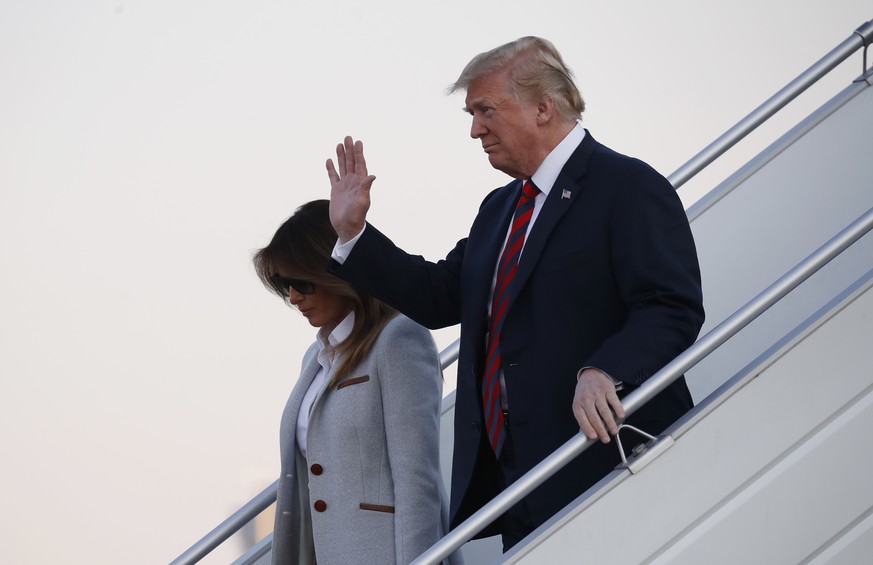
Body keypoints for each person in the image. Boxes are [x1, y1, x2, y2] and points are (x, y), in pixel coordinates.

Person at [325, 36, 705, 551]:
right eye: (471, 113)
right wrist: (354, 234)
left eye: (486, 110)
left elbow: (671, 307)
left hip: (604, 465)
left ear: (543, 107)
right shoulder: (499, 208)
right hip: (520, 482)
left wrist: (604, 369)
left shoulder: (628, 186)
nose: (475, 129)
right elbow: (439, 296)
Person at [253, 200, 462, 565]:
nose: (294, 297)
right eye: (284, 285)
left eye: (302, 282)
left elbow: (417, 482)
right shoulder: (315, 358)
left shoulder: (399, 338)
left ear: (338, 272)